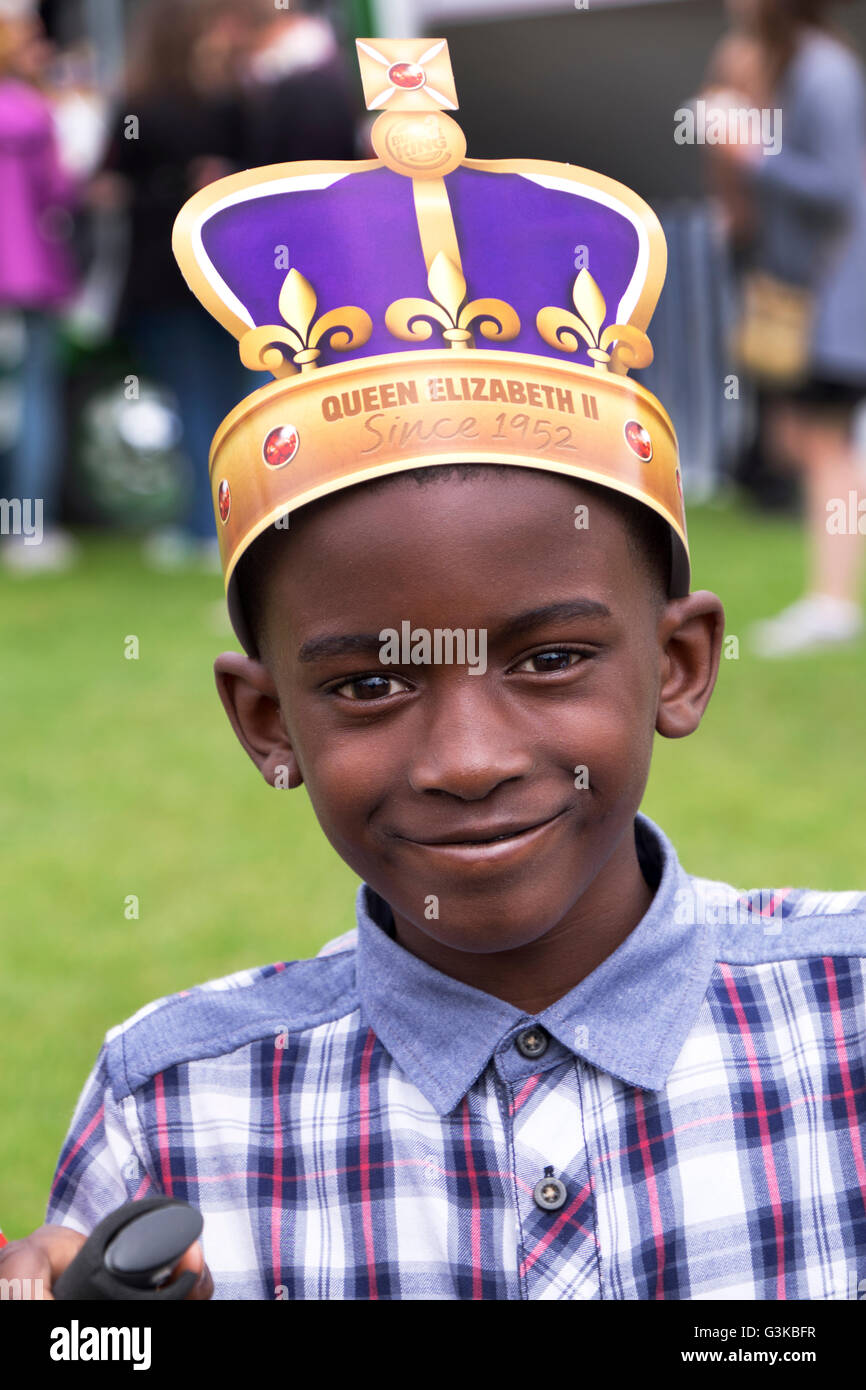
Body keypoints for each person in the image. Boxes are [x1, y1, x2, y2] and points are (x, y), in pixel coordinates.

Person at [3, 39, 865, 1301]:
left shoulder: (843, 1025)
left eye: (552, 657)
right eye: (367, 684)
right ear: (263, 719)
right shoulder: (178, 1107)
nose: (466, 759)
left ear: (680, 664)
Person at [704, 0, 866, 656]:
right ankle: (829, 597)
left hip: (835, 295)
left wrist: (751, 152)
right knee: (800, 441)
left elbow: (836, 190)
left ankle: (832, 603)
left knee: (828, 449)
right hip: (806, 292)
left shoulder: (824, 72)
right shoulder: (804, 64)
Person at [0, 10, 79, 573]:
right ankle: (27, 531)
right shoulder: (34, 112)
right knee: (35, 401)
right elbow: (60, 191)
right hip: (27, 272)